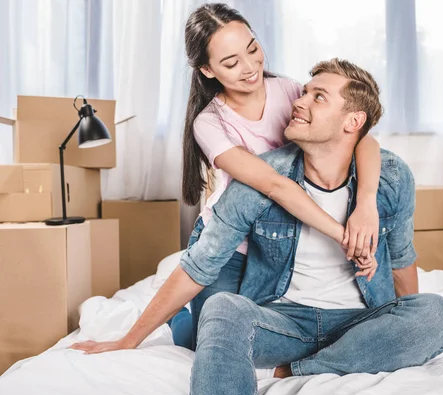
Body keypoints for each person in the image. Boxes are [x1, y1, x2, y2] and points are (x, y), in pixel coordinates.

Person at [70, 3, 381, 354]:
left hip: (280, 237)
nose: (250, 68)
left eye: (252, 49)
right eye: (231, 63)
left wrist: (366, 202)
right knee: (208, 342)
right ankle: (180, 319)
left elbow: (362, 137)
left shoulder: (293, 91)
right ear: (207, 69)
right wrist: (347, 239)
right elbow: (276, 185)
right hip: (235, 242)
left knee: (263, 338)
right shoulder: (210, 123)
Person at [183, 58, 443, 395]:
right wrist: (129, 339)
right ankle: (331, 359)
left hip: (361, 323)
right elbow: (200, 264)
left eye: (318, 97)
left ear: (353, 121)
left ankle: (303, 368)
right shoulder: (265, 174)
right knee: (222, 307)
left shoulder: (391, 176)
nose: (298, 102)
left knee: (437, 314)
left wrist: (403, 324)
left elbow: (401, 262)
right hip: (284, 323)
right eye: (304, 93)